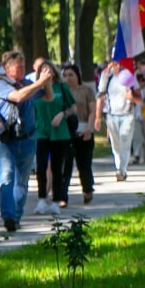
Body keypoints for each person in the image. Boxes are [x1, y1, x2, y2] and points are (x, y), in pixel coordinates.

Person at [0, 51, 50, 232]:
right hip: (6, 140)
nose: (22, 69)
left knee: (22, 181)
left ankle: (16, 216)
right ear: (7, 68)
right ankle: (8, 216)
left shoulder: (28, 84)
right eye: (18, 66)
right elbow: (18, 97)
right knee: (7, 177)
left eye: (24, 66)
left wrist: (45, 80)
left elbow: (49, 96)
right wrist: (39, 82)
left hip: (28, 138)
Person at [33, 62, 75, 215]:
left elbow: (73, 108)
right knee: (41, 166)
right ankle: (42, 199)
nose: (47, 74)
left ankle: (56, 200)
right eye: (43, 71)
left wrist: (62, 114)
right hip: (41, 132)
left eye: (49, 71)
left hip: (60, 133)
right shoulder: (36, 90)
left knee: (57, 168)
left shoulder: (61, 88)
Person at [98, 62, 141, 182]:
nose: (114, 68)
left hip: (127, 115)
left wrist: (131, 98)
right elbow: (100, 95)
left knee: (125, 142)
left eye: (116, 65)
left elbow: (139, 98)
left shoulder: (129, 78)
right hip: (112, 115)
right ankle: (119, 166)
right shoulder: (108, 78)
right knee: (115, 144)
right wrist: (97, 116)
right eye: (112, 65)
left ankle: (121, 170)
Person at [60, 65, 96, 204]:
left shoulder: (86, 90)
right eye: (66, 75)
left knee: (84, 163)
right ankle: (63, 196)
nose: (68, 78)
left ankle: (87, 190)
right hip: (66, 132)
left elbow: (92, 110)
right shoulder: (62, 91)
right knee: (66, 165)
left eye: (71, 75)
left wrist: (89, 128)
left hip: (84, 130)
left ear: (77, 76)